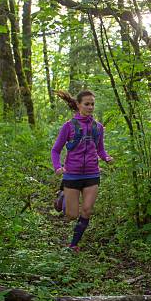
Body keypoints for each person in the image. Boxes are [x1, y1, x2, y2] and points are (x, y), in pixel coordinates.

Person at [51, 90, 113, 252]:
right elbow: (56, 150)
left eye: (92, 104)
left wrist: (106, 158)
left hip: (92, 174)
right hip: (72, 175)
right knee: (71, 215)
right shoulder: (68, 126)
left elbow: (101, 150)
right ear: (78, 105)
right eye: (87, 104)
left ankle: (73, 244)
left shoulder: (98, 127)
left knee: (87, 210)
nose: (90, 107)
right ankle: (62, 194)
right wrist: (58, 167)